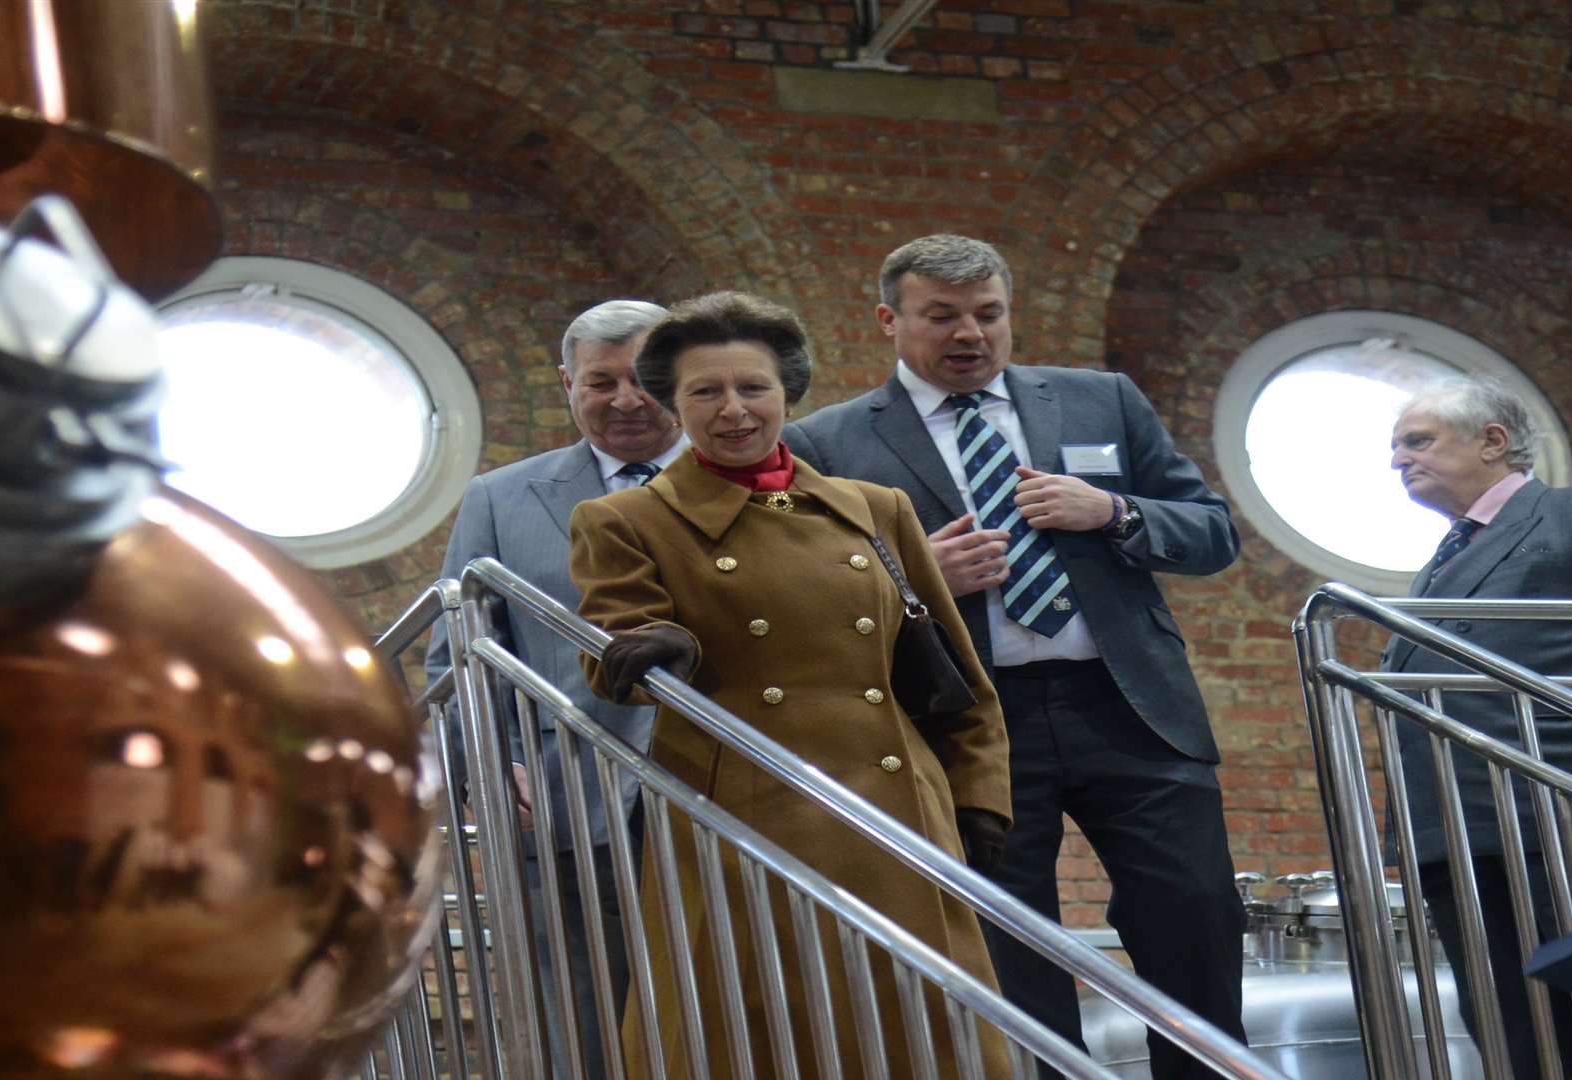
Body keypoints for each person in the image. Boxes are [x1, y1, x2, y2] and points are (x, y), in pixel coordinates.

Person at [784, 233, 1247, 1078]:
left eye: (989, 314)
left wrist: (1112, 511)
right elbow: (816, 607)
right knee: (1011, 943)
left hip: (1130, 706)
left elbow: (1213, 533)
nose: (971, 334)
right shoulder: (827, 443)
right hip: (971, 723)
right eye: (943, 317)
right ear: (890, 321)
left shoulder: (1101, 400)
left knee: (1196, 912)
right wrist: (921, 576)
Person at [569, 290, 1013, 1079]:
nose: (733, 411)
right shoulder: (626, 519)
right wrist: (655, 644)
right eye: (706, 392)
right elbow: (610, 658)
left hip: (896, 809)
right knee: (758, 1034)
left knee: (924, 1032)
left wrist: (977, 795)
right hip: (741, 812)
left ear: (787, 396)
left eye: (754, 388)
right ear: (676, 406)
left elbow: (953, 670)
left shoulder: (875, 509)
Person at [425, 298, 684, 1080]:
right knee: (584, 1015)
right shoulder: (502, 498)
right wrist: (488, 766)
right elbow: (458, 655)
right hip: (564, 798)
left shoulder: (747, 484)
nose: (625, 399)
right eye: (600, 382)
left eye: (642, 379)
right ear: (568, 384)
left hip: (726, 788)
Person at [1385, 375, 1572, 1077]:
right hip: (1462, 845)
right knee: (1521, 1049)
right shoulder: (1436, 570)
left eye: (1417, 441)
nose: (1398, 461)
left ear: (1493, 440)